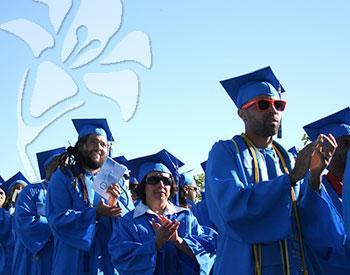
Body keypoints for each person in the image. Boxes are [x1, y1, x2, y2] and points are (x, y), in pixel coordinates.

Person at [205, 66, 345, 275]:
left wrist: (314, 178)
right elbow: (231, 210)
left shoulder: (289, 159)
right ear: (242, 113)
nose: (273, 110)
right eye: (263, 104)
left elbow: (306, 223)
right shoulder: (225, 152)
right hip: (244, 267)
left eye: (279, 105)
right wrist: (291, 178)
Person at [46, 118, 134, 274]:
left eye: (103, 144)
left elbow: (131, 221)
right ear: (81, 146)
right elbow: (56, 218)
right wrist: (95, 214)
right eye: (93, 142)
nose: (99, 148)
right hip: (73, 260)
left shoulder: (115, 179)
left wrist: (116, 206)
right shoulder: (64, 177)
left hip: (107, 260)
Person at [109, 149, 217, 275]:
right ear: (143, 186)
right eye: (154, 180)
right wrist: (155, 244)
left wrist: (178, 241)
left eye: (166, 181)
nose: (161, 185)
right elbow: (121, 258)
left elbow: (209, 250)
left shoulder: (185, 217)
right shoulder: (128, 221)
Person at [12, 147, 65, 275]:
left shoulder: (66, 193)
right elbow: (25, 221)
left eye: (65, 164)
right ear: (47, 168)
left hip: (60, 251)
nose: (62, 167)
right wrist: (60, 224)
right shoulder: (31, 190)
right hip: (35, 252)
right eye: (58, 163)